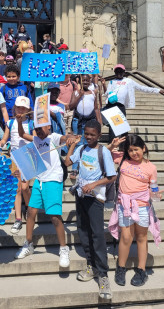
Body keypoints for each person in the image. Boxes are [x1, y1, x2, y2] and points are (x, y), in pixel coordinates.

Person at [65, 120, 117, 300]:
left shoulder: (103, 152)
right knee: (83, 231)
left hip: (95, 198)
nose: (88, 137)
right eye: (86, 134)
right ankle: (91, 265)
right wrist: (72, 146)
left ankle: (103, 274)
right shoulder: (81, 149)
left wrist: (94, 184)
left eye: (92, 134)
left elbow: (111, 176)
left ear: (99, 135)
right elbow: (67, 162)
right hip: (81, 196)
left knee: (97, 234)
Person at [15, 122, 74, 268]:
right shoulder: (35, 140)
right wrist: (19, 120)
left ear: (49, 127)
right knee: (30, 212)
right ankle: (28, 244)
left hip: (53, 180)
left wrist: (70, 138)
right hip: (39, 180)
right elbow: (22, 134)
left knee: (54, 217)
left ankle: (63, 248)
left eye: (41, 128)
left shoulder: (53, 137)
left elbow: (66, 137)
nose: (39, 131)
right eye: (36, 129)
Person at [107, 135, 161, 287]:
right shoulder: (123, 160)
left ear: (143, 148)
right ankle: (121, 267)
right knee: (125, 237)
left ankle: (141, 270)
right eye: (130, 150)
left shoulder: (151, 168)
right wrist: (112, 145)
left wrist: (157, 195)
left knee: (142, 237)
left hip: (143, 206)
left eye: (136, 149)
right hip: (124, 205)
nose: (133, 153)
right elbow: (104, 154)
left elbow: (153, 188)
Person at [100, 64, 164, 142]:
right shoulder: (112, 82)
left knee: (122, 127)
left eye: (121, 71)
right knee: (113, 125)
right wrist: (104, 84)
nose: (119, 73)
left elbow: (142, 88)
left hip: (120, 105)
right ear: (115, 72)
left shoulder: (129, 81)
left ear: (124, 72)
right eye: (117, 71)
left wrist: (157, 90)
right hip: (111, 105)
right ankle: (111, 145)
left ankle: (124, 146)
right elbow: (107, 93)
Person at [0, 96, 34, 234]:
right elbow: (4, 138)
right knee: (18, 188)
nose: (20, 110)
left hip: (28, 157)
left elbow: (34, 140)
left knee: (25, 187)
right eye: (18, 107)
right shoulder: (10, 123)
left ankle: (30, 209)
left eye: (23, 108)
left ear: (28, 110)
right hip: (14, 157)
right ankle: (18, 218)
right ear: (14, 108)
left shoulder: (31, 124)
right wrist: (0, 143)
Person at [69, 74, 102, 139]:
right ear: (80, 81)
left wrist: (99, 121)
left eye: (87, 80)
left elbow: (96, 109)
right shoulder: (75, 93)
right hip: (78, 121)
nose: (85, 82)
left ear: (90, 82)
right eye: (83, 80)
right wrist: (79, 96)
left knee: (88, 140)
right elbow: (71, 107)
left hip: (90, 121)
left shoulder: (93, 93)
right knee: (78, 141)